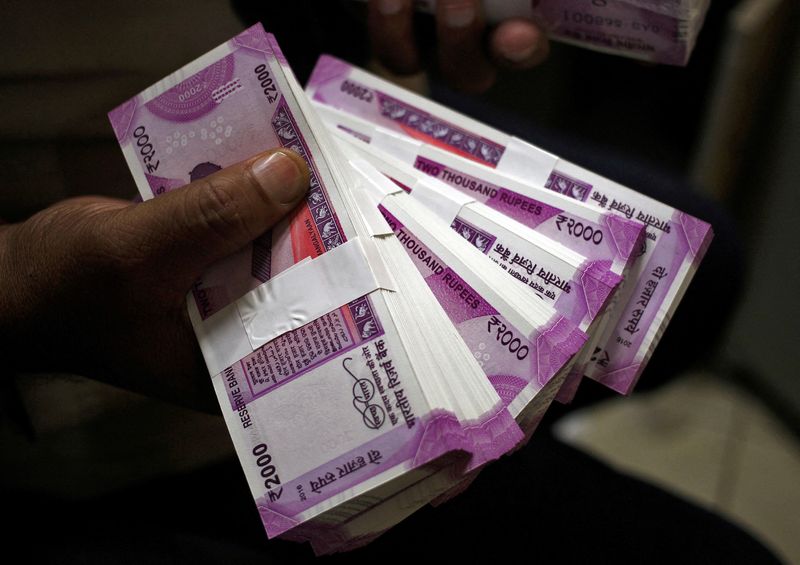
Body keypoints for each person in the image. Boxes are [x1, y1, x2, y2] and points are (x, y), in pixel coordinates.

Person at [0, 2, 779, 562]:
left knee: (694, 271)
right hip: (84, 394)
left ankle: (493, 423)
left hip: (270, 66)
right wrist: (25, 295)